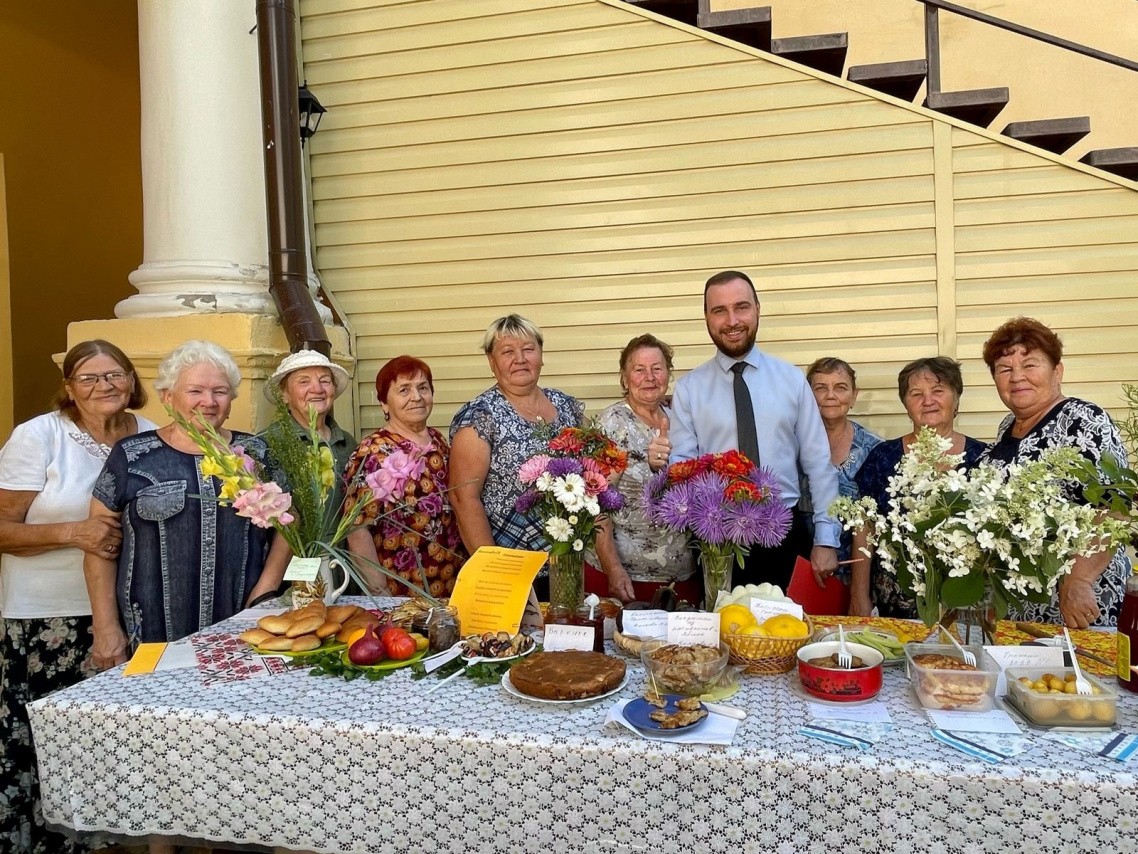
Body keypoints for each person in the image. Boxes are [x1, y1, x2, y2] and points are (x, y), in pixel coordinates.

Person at [0, 341, 155, 854]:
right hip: (48, 618)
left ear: (132, 381)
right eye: (88, 378)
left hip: (132, 612)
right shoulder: (40, 436)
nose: (104, 386)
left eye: (115, 374)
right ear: (69, 388)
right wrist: (76, 532)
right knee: (51, 743)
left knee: (111, 743)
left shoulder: (153, 437)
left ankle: (111, 843)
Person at [83, 341, 283, 666]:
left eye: (220, 391)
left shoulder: (256, 454)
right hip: (148, 636)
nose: (209, 401)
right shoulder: (132, 456)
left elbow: (289, 526)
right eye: (195, 391)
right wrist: (105, 627)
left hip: (244, 629)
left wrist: (265, 591)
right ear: (167, 396)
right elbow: (98, 545)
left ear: (231, 398)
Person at [669, 270, 841, 591]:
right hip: (716, 539)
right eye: (719, 310)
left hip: (784, 535)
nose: (732, 320)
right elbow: (683, 470)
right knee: (721, 633)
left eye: (741, 307)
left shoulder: (791, 380)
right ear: (706, 317)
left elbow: (819, 466)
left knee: (784, 636)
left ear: (758, 309)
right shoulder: (689, 389)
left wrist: (827, 539)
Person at [449, 315, 627, 600]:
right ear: (491, 362)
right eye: (507, 352)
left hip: (569, 565)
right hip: (512, 573)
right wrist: (498, 576)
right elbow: (463, 499)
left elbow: (592, 489)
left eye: (528, 349)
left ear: (541, 355)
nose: (520, 359)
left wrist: (612, 566)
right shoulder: (480, 418)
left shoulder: (566, 407)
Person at [979, 317, 1129, 628]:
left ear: (1056, 371)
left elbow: (1114, 507)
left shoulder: (1082, 420)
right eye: (1005, 369)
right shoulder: (1008, 427)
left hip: (1078, 603)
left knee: (1082, 677)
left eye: (1030, 365)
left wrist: (1079, 580)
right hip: (1024, 605)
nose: (1017, 377)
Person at [851, 356, 986, 618]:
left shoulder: (983, 458)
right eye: (916, 394)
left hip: (964, 606)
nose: (928, 401)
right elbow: (863, 528)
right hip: (894, 604)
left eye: (938, 391)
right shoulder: (883, 457)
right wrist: (858, 595)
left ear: (956, 398)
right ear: (906, 404)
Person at [345, 356, 467, 598]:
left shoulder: (439, 441)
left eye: (423, 388)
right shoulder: (373, 453)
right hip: (401, 592)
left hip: (452, 587)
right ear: (384, 403)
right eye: (404, 390)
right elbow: (357, 529)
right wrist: (378, 592)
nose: (416, 397)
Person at [596, 334, 698, 603]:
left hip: (682, 574)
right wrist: (613, 569)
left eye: (657, 368)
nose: (649, 377)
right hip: (629, 578)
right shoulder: (612, 424)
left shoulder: (681, 420)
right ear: (625, 377)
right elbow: (594, 504)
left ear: (668, 373)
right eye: (639, 370)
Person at [806, 357, 882, 571]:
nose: (830, 396)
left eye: (840, 388)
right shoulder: (791, 446)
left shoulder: (874, 450)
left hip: (858, 570)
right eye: (821, 388)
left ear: (853, 396)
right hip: (799, 568)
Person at [264, 349, 356, 512]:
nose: (317, 389)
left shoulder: (348, 443)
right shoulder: (268, 444)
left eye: (325, 381)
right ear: (285, 394)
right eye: (304, 382)